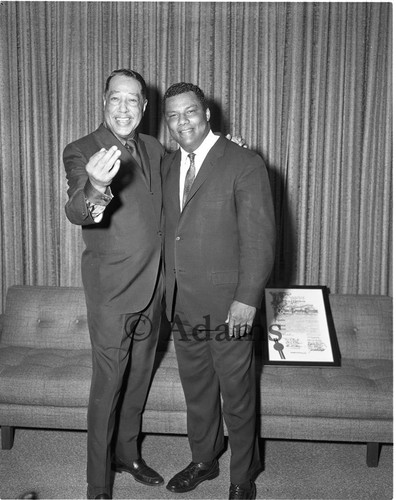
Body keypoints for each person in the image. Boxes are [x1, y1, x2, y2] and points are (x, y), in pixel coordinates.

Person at [162, 83, 276, 500]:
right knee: (198, 392)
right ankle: (204, 460)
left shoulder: (243, 161)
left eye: (189, 112)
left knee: (238, 395)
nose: (181, 122)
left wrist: (247, 298)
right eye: (172, 116)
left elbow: (260, 239)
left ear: (207, 113)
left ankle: (242, 476)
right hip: (182, 304)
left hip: (231, 307)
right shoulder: (166, 165)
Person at [63, 69, 165, 499]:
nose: (123, 108)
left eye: (132, 101)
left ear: (144, 107)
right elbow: (77, 208)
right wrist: (97, 187)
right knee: (108, 385)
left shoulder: (156, 148)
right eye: (115, 99)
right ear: (104, 103)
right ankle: (98, 481)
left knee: (139, 378)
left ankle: (128, 453)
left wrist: (224, 148)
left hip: (155, 287)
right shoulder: (82, 149)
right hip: (112, 292)